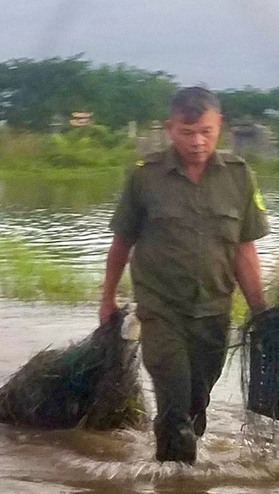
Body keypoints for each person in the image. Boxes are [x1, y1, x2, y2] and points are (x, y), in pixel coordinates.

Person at [100, 86, 269, 463]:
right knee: (174, 400)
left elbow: (244, 251)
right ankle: (175, 487)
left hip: (214, 312)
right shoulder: (145, 177)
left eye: (206, 132)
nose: (197, 142)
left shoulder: (239, 176)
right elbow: (122, 243)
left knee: (195, 404)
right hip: (161, 311)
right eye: (187, 132)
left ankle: (181, 468)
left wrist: (261, 310)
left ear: (219, 126)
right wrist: (107, 298)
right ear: (170, 129)